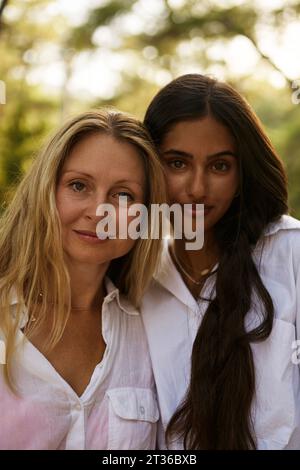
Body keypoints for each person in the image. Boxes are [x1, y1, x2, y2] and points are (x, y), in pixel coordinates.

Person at [141, 73, 300, 450]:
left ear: (242, 174)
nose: (197, 188)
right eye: (177, 163)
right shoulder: (133, 277)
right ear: (148, 166)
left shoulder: (290, 253)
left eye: (220, 166)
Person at [0, 109, 166, 450]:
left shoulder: (155, 334)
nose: (98, 212)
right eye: (79, 185)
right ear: (46, 190)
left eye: (124, 196)